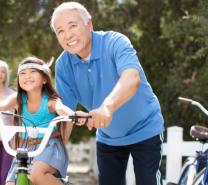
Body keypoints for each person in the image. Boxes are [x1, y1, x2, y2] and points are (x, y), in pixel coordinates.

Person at [50, 2, 165, 185]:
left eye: (72, 26)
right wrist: (52, 155)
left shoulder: (115, 42)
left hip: (145, 128)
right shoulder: (63, 65)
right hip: (108, 137)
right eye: (60, 31)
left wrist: (107, 107)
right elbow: (65, 114)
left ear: (89, 24)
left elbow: (132, 78)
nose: (68, 35)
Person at [0, 56, 86, 185]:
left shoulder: (51, 100)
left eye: (33, 72)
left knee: (35, 174)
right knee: (11, 183)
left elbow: (62, 109)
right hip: (26, 148)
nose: (27, 76)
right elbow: (0, 106)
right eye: (23, 73)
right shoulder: (17, 99)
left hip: (49, 146)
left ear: (44, 79)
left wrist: (74, 115)